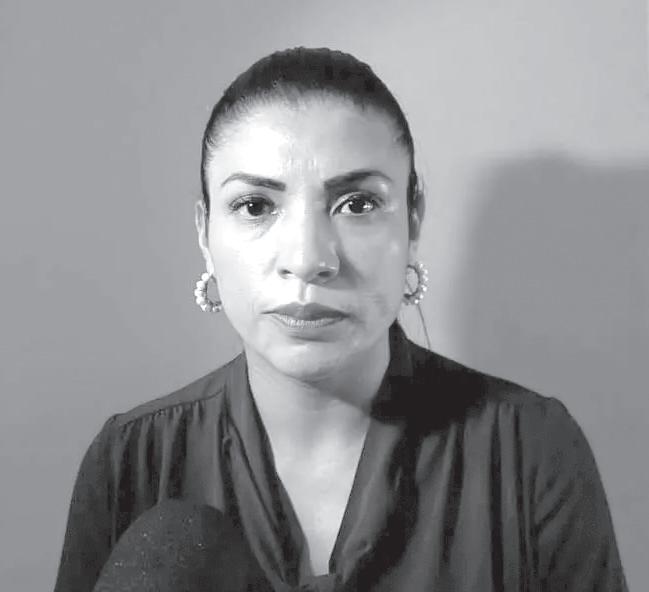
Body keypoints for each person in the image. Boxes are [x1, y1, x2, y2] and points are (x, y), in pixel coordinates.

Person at [54, 47, 628, 592]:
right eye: (255, 206)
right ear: (205, 232)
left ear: (413, 219)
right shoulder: (131, 464)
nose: (308, 259)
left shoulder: (530, 453)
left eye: (358, 204)